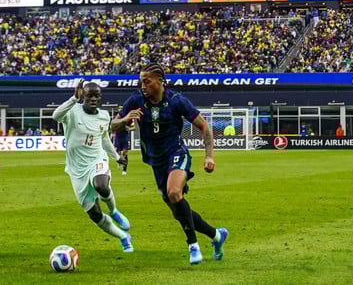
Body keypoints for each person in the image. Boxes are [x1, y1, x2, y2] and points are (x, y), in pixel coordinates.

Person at [111, 63, 228, 265]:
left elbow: (204, 126)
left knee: (174, 193)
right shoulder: (136, 99)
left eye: (146, 81)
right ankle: (216, 236)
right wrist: (125, 120)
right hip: (155, 160)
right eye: (141, 82)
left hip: (176, 152)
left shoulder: (176, 101)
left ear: (160, 81)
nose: (143, 85)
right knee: (178, 211)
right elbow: (113, 124)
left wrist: (210, 156)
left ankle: (193, 246)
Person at [52, 81, 133, 252]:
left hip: (97, 159)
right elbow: (55, 116)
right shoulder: (72, 111)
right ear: (83, 95)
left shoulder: (104, 115)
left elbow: (104, 139)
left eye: (97, 95)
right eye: (89, 95)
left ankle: (114, 211)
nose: (93, 99)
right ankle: (123, 237)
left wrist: (116, 157)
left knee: (101, 186)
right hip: (76, 169)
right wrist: (74, 98)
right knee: (95, 214)